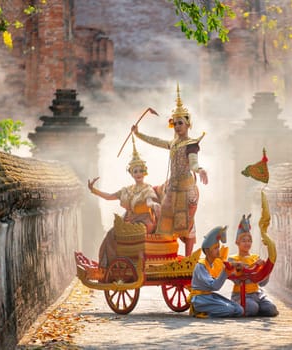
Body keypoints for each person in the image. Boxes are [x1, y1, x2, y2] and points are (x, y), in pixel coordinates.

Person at [131, 84, 208, 256]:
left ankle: (185, 252)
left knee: (185, 221)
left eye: (180, 123)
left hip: (186, 189)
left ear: (188, 124)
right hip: (172, 187)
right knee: (163, 216)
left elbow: (193, 162)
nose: (177, 126)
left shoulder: (191, 144)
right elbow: (156, 141)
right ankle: (163, 252)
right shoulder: (173, 143)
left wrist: (200, 169)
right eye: (175, 123)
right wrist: (138, 134)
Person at [87, 138, 161, 268]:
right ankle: (109, 264)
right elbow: (109, 196)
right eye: (135, 171)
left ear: (144, 172)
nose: (138, 174)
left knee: (134, 232)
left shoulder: (147, 188)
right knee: (111, 234)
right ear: (131, 174)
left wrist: (153, 205)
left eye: (140, 171)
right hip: (129, 220)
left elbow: (149, 200)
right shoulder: (127, 190)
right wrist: (93, 190)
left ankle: (131, 263)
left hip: (145, 222)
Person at [228, 214, 279, 317]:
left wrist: (265, 270)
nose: (247, 243)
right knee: (252, 308)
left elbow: (262, 283)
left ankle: (258, 306)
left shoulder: (256, 257)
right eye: (244, 241)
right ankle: (244, 306)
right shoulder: (233, 259)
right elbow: (237, 279)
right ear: (237, 242)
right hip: (241, 294)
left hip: (257, 293)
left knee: (271, 309)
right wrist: (253, 266)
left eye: (249, 241)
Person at [188, 226, 244, 318]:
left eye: (218, 247)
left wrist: (236, 267)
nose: (218, 250)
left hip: (209, 296)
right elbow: (214, 286)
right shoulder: (201, 266)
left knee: (239, 310)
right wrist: (226, 271)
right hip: (200, 299)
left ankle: (214, 310)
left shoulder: (215, 264)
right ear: (207, 251)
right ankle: (202, 313)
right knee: (229, 309)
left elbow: (228, 270)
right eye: (215, 248)